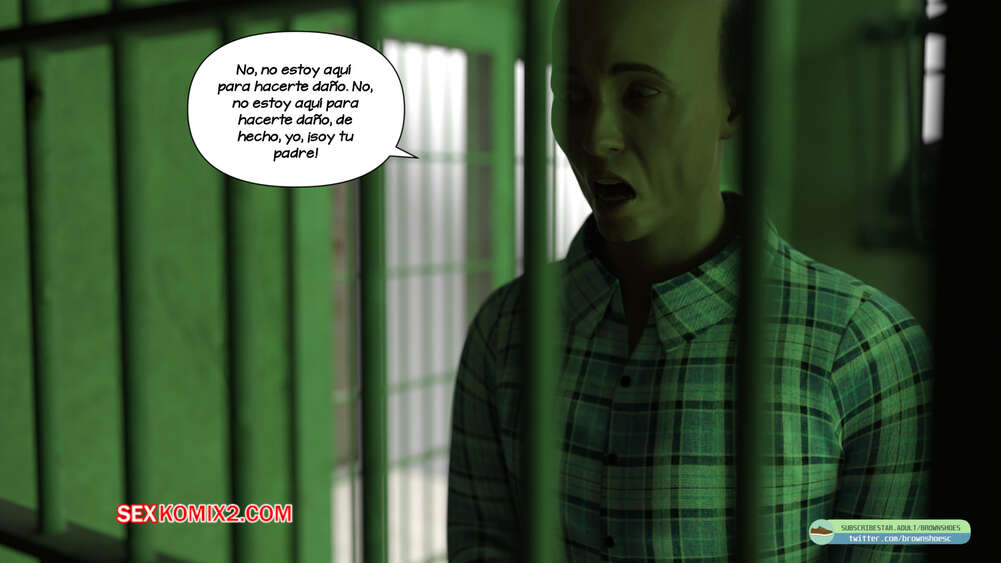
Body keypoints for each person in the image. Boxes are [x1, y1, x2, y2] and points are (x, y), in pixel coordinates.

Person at [447, 0, 933, 560]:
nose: (596, 138)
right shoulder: (507, 330)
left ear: (735, 103)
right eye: (574, 95)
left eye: (641, 93)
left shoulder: (865, 350)